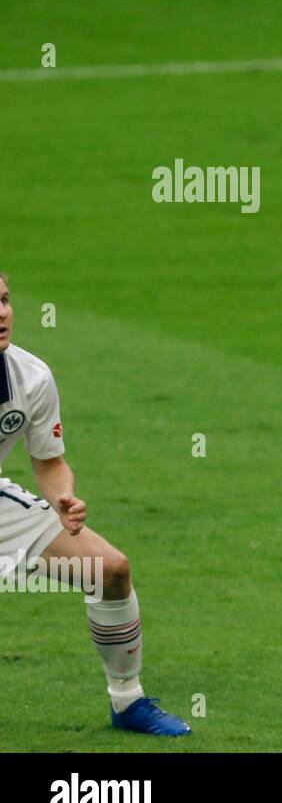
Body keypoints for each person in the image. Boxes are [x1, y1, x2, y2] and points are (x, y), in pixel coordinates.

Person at [0, 273, 190, 736]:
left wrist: (62, 498)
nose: (2, 313)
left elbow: (49, 463)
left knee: (109, 569)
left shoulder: (31, 377)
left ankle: (127, 702)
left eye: (4, 300)